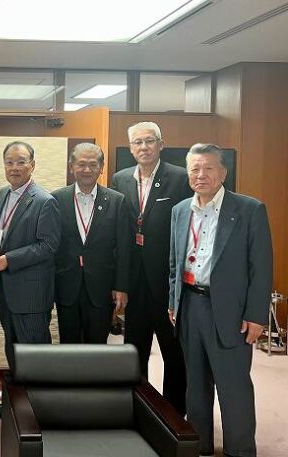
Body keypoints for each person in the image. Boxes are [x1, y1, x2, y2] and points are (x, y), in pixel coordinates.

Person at [169, 143, 272, 457]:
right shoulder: (180, 210)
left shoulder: (249, 209)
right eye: (195, 169)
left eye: (208, 168)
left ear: (223, 173)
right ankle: (199, 445)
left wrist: (256, 315)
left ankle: (239, 450)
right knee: (196, 386)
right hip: (190, 305)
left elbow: (261, 267)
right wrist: (174, 301)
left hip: (231, 311)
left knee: (234, 386)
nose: (201, 175)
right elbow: (174, 262)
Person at [110, 121, 190, 415]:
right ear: (131, 148)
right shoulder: (120, 179)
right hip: (135, 283)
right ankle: (139, 408)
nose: (143, 147)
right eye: (137, 142)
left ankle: (174, 413)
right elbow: (119, 234)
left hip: (167, 282)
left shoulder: (180, 178)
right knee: (135, 350)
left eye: (149, 141)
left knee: (174, 353)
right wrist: (120, 282)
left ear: (161, 144)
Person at [0, 141, 60, 419]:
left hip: (32, 294)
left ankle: (40, 412)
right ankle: (17, 405)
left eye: (21, 161)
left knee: (34, 354)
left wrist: (9, 260)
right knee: (13, 349)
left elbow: (48, 246)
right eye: (9, 162)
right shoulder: (4, 193)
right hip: (7, 289)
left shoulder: (45, 201)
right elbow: (9, 230)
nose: (14, 167)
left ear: (32, 165)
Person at [52, 143, 131, 344]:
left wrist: (121, 286)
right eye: (81, 164)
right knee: (68, 344)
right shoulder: (56, 199)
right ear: (71, 166)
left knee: (97, 346)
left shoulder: (117, 201)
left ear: (101, 167)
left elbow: (123, 248)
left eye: (93, 164)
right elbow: (51, 245)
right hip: (66, 285)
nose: (87, 169)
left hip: (101, 287)